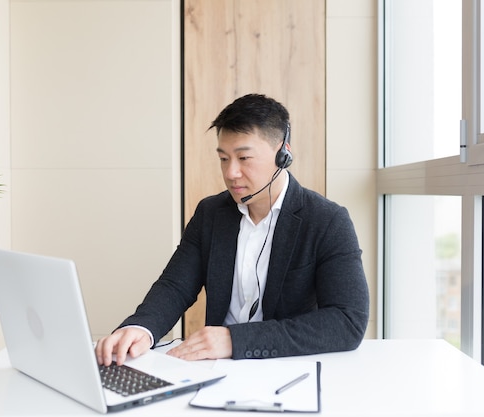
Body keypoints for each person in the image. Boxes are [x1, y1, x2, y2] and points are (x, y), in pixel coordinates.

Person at [95, 93, 369, 366]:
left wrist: (235, 339)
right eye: (224, 159)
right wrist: (141, 328)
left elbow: (348, 320)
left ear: (282, 154)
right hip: (215, 368)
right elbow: (175, 286)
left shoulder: (327, 220)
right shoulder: (211, 213)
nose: (230, 173)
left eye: (244, 158)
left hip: (287, 366)